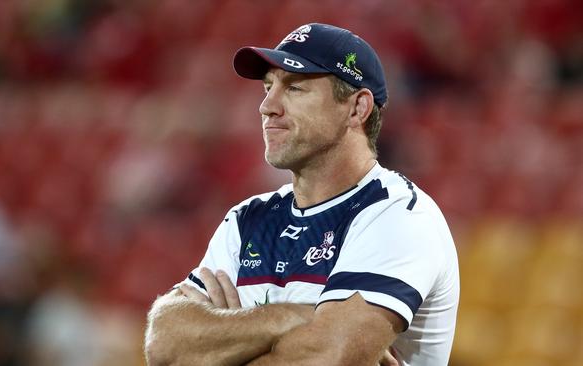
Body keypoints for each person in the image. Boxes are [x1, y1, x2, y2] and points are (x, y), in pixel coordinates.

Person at [144, 23, 459, 366]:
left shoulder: (397, 215)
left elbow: (327, 358)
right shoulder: (246, 220)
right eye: (267, 87)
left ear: (357, 108)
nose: (267, 106)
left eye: (294, 88)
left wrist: (225, 342)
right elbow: (164, 344)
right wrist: (291, 317)